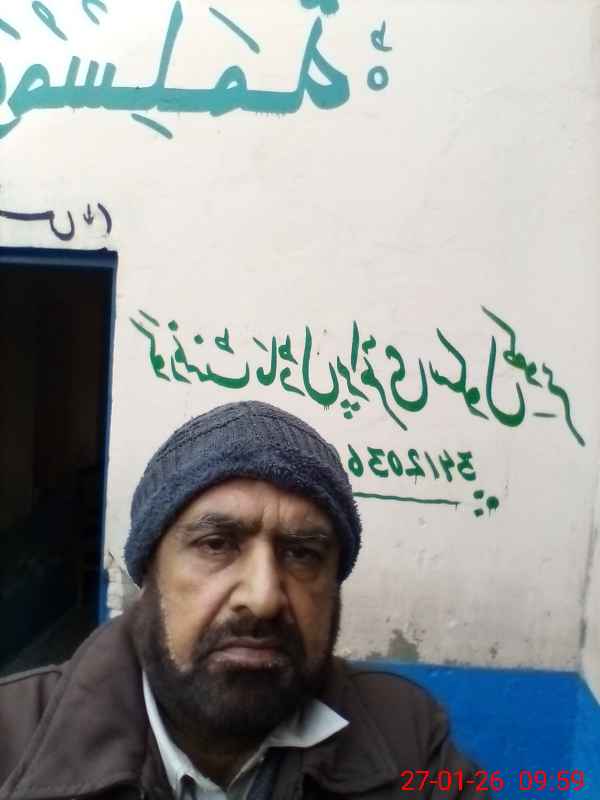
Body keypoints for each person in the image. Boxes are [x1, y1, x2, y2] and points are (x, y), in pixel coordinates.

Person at [0, 401, 486, 799]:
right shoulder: (12, 739)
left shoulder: (410, 742)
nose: (263, 598)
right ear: (150, 574)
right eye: (217, 545)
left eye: (302, 554)